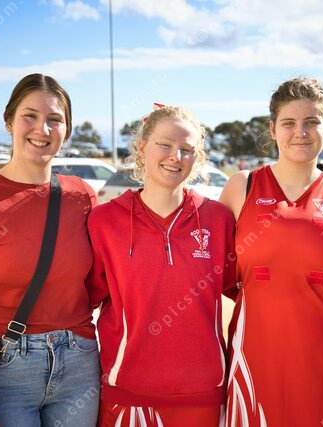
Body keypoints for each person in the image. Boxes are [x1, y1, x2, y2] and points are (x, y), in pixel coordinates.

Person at [0, 73, 100, 426]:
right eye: (30, 116)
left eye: (55, 119)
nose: (43, 129)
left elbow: (102, 286)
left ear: (67, 130)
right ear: (9, 121)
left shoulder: (83, 196)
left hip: (80, 365)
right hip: (8, 369)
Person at [219, 77, 323, 426]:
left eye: (311, 122)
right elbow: (211, 274)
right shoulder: (241, 187)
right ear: (273, 128)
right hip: (254, 357)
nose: (300, 133)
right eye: (289, 123)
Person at [86, 105, 236, 427]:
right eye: (165, 144)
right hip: (127, 395)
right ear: (142, 147)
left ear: (197, 157)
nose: (175, 157)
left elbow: (247, 291)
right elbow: (82, 303)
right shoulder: (104, 220)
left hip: (203, 396)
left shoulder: (219, 219)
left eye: (186, 149)